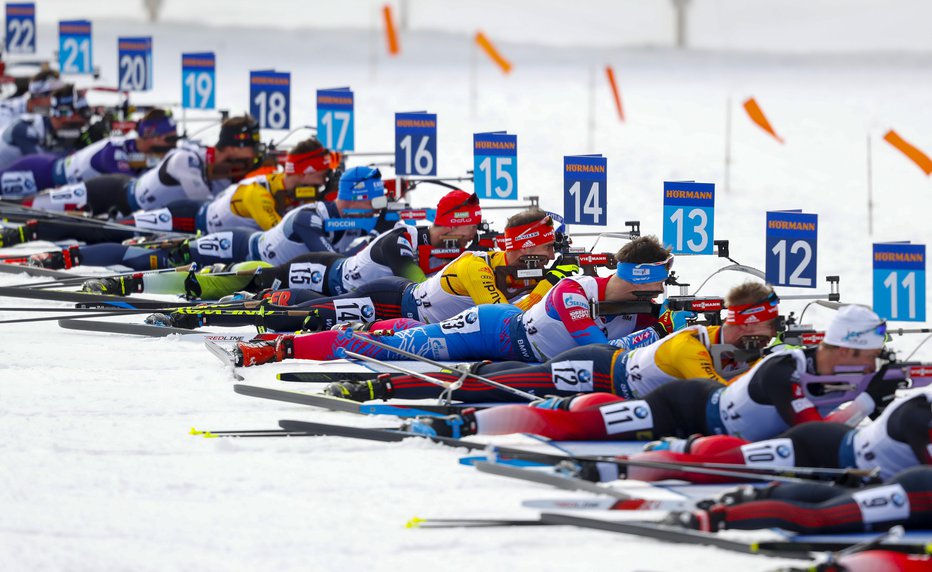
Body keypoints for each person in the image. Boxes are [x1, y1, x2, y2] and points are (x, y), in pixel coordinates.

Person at [403, 306, 893, 441]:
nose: (869, 368)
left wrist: (879, 401)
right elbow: (814, 432)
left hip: (698, 419)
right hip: (680, 404)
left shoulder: (830, 371)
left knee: (545, 396)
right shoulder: (783, 367)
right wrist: (870, 402)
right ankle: (456, 417)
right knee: (519, 387)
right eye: (865, 358)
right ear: (839, 349)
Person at [230, 235, 673, 367]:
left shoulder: (639, 313)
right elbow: (596, 352)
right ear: (640, 277)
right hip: (493, 330)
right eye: (658, 283)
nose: (662, 294)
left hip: (522, 357)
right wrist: (654, 334)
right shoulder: (575, 290)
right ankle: (280, 346)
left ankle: (370, 329)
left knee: (405, 336)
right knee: (399, 350)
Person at [324, 282, 779, 403]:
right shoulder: (689, 340)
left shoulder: (725, 342)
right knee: (487, 381)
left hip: (598, 375)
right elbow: (718, 391)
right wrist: (654, 329)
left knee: (491, 382)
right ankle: (370, 373)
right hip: (584, 361)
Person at [160, 204, 567, 328]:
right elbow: (511, 319)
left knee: (300, 311)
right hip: (391, 301)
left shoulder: (518, 271)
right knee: (298, 315)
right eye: (547, 249)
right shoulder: (478, 266)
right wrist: (550, 284)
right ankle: (196, 314)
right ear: (527, 247)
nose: (551, 257)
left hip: (407, 314)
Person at [29, 165, 389, 271]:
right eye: (375, 200)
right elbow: (333, 262)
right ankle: (66, 256)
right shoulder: (310, 218)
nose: (380, 207)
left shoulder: (357, 220)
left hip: (256, 270)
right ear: (357, 198)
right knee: (154, 257)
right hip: (237, 249)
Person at [618, 384, 930, 485]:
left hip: (849, 468)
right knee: (712, 471)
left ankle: (687, 447)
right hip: (816, 446)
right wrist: (866, 399)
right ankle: (613, 467)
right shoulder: (785, 366)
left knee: (726, 463)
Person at [29, 114, 263, 217]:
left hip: (132, 211)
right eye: (252, 144)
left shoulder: (223, 173)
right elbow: (204, 203)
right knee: (33, 206)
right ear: (233, 145)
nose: (255, 150)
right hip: (110, 191)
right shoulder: (188, 159)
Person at [665, 465, 932, 538]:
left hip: (919, 488)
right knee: (818, 519)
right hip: (918, 497)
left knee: (843, 501)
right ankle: (713, 519)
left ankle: (758, 496)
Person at [0, 108, 179, 197]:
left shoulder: (137, 153)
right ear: (150, 135)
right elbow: (133, 188)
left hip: (55, 183)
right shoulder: (116, 152)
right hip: (39, 175)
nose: (172, 145)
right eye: (169, 140)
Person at [0, 85, 89, 172]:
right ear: (66, 114)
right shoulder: (24, 129)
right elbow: (44, 167)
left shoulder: (56, 129)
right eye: (84, 112)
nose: (87, 117)